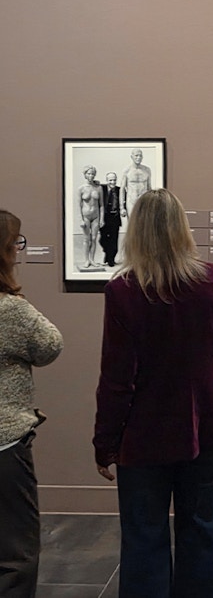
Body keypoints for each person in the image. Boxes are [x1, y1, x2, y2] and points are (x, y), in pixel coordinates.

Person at [93, 189, 213, 598]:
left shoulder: (123, 291)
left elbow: (117, 377)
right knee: (202, 534)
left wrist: (104, 442)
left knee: (144, 539)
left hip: (144, 433)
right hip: (208, 424)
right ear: (182, 228)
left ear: (135, 230)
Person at [0, 209, 63, 597]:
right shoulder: (11, 311)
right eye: (16, 244)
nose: (20, 251)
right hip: (4, 444)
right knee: (15, 554)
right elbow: (49, 345)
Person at [77, 164, 104, 268]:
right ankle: (86, 260)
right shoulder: (81, 189)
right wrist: (80, 219)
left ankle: (92, 259)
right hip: (86, 216)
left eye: (93, 174)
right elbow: (79, 205)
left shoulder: (98, 188)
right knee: (86, 239)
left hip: (96, 216)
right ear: (85, 174)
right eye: (89, 173)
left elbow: (101, 205)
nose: (91, 176)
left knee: (94, 238)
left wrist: (102, 219)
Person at [120, 148, 152, 217]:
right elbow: (122, 189)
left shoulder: (147, 170)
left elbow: (149, 188)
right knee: (132, 223)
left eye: (140, 156)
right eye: (136, 155)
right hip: (131, 201)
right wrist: (122, 207)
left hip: (144, 201)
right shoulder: (127, 170)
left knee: (144, 224)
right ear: (132, 157)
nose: (138, 158)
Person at [99, 172, 122, 267]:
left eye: (114, 180)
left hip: (115, 218)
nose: (112, 182)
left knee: (114, 239)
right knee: (103, 239)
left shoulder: (120, 190)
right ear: (106, 180)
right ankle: (108, 254)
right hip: (104, 217)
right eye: (110, 180)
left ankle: (111, 259)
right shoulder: (102, 188)